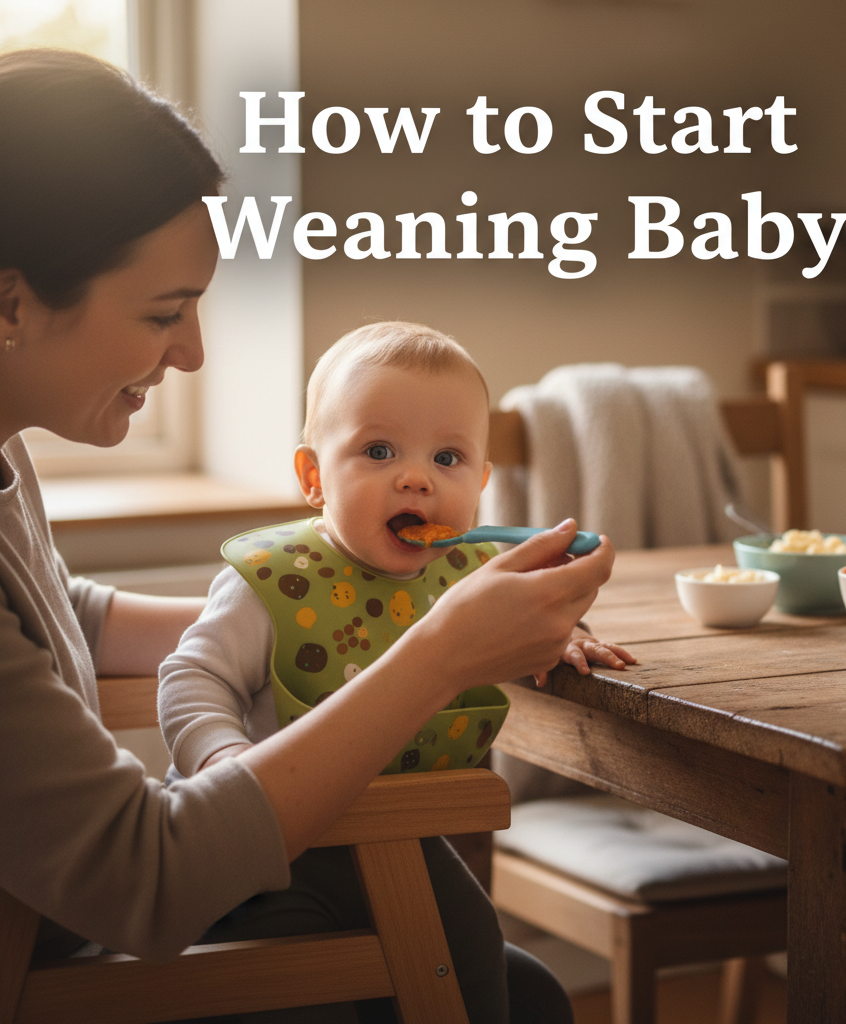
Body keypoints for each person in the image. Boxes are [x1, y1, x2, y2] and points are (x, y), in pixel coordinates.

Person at [0, 49, 617, 1023]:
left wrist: (322, 609)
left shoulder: (3, 461)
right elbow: (146, 875)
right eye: (165, 312)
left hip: (70, 926)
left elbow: (57, 619)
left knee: (523, 986)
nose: (194, 353)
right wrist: (436, 652)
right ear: (12, 301)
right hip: (54, 965)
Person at [159, 321, 635, 778]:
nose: (416, 478)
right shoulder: (272, 581)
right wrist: (224, 763)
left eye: (447, 458)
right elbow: (192, 679)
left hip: (411, 824)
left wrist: (565, 634)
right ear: (314, 477)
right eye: (379, 451)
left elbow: (524, 624)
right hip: (271, 833)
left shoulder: (475, 574)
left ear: (481, 485)